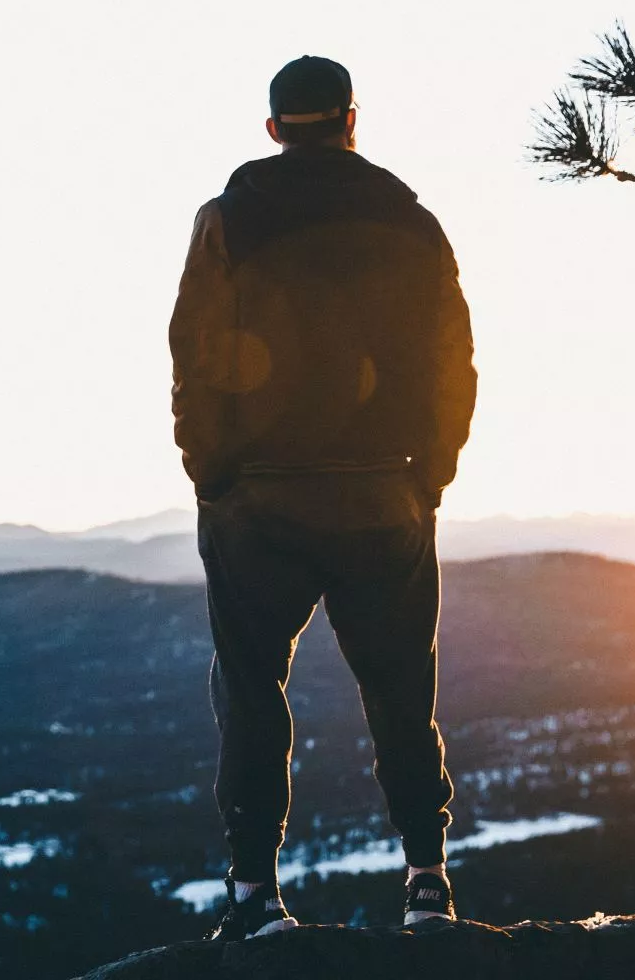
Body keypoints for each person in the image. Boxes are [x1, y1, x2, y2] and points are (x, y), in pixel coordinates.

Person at [169, 55, 477, 939]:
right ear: (352, 119)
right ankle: (427, 885)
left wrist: (212, 472)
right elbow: (450, 359)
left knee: (253, 691)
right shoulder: (412, 221)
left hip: (259, 499)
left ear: (273, 129)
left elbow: (194, 351)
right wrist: (432, 472)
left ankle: (256, 899)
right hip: (384, 491)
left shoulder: (226, 221)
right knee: (400, 694)